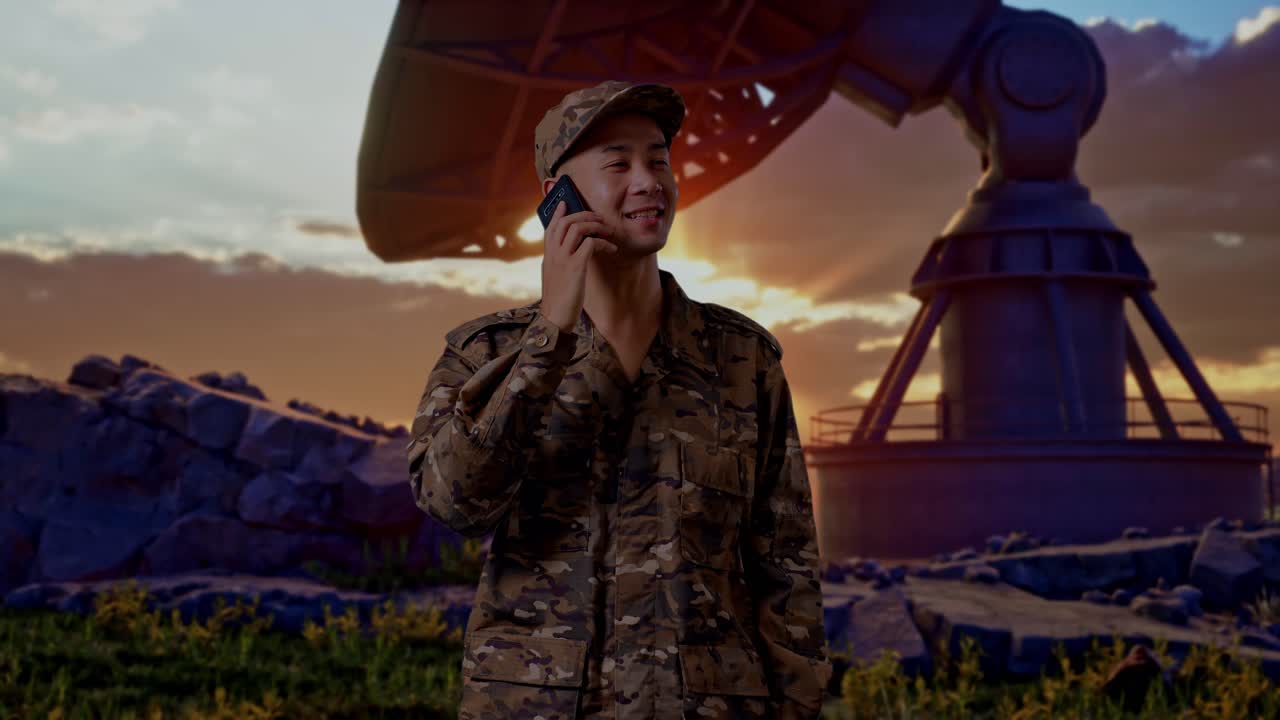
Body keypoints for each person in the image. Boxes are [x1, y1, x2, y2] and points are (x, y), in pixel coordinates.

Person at [407, 80, 831, 720]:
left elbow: (787, 571)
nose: (648, 180)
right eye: (618, 163)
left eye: (658, 159)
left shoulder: (743, 361)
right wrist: (548, 340)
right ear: (558, 200)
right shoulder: (484, 355)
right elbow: (455, 504)